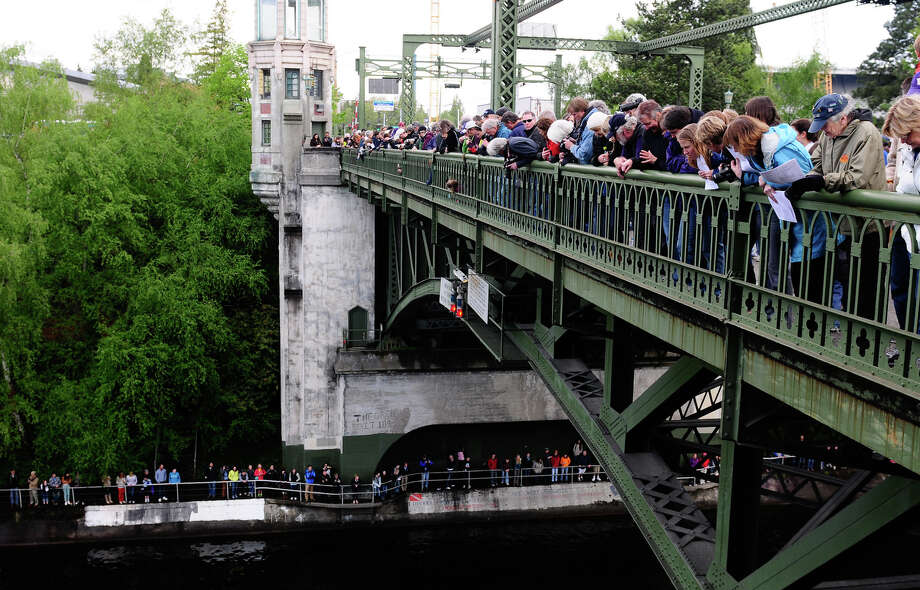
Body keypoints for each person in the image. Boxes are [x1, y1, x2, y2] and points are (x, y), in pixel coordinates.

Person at [786, 93, 886, 319]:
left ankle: (866, 341)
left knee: (866, 289)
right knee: (848, 287)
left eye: (826, 125)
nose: (823, 131)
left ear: (843, 119)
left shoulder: (867, 133)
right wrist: (808, 178)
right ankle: (851, 338)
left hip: (868, 225)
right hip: (841, 224)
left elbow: (856, 178)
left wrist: (820, 181)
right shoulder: (828, 136)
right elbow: (816, 164)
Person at [725, 115, 834, 304]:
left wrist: (768, 180)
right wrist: (762, 180)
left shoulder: (777, 149)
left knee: (806, 281)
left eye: (735, 144)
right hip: (795, 218)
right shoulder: (765, 149)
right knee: (795, 275)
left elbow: (800, 178)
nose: (734, 150)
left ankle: (800, 326)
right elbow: (767, 176)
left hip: (809, 221)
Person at [882, 95, 920, 331]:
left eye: (906, 134)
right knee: (902, 290)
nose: (903, 140)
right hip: (907, 234)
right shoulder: (908, 149)